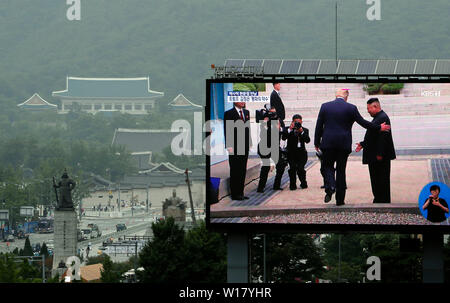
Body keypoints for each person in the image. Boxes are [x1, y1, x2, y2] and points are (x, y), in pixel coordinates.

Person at [314, 89, 391, 206]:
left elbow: (319, 125)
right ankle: (340, 200)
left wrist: (316, 142)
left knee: (327, 166)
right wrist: (378, 127)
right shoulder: (351, 108)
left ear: (336, 96)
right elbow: (363, 122)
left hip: (328, 143)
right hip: (343, 144)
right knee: (341, 171)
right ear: (346, 97)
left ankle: (330, 186)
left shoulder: (325, 106)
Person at [355, 98, 396, 203]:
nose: (368, 111)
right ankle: (379, 198)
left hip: (378, 156)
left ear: (375, 107)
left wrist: (379, 153)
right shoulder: (379, 117)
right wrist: (363, 144)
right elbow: (373, 135)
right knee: (377, 179)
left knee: (380, 179)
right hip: (376, 155)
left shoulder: (382, 117)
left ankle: (382, 200)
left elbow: (383, 137)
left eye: (369, 108)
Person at [224, 101, 252, 200]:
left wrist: (249, 142)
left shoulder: (246, 112)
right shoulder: (229, 113)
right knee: (235, 169)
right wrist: (229, 146)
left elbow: (248, 128)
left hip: (244, 146)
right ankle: (235, 194)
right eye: (241, 100)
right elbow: (228, 130)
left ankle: (241, 192)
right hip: (234, 147)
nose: (243, 102)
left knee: (242, 169)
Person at [256, 107, 287, 192]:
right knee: (265, 167)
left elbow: (284, 134)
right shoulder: (265, 120)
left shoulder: (279, 121)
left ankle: (276, 185)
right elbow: (262, 135)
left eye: (274, 113)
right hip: (264, 146)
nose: (272, 115)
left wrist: (279, 128)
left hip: (275, 147)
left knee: (281, 165)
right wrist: (264, 124)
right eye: (271, 113)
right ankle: (260, 188)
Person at [283, 114, 310, 190]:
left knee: (300, 169)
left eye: (299, 122)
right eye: (296, 122)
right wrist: (290, 130)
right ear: (292, 122)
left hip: (302, 153)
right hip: (291, 153)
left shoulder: (305, 130)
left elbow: (307, 140)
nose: (297, 124)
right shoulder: (288, 129)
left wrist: (301, 132)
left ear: (302, 122)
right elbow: (283, 137)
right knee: (292, 169)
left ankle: (303, 182)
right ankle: (292, 184)